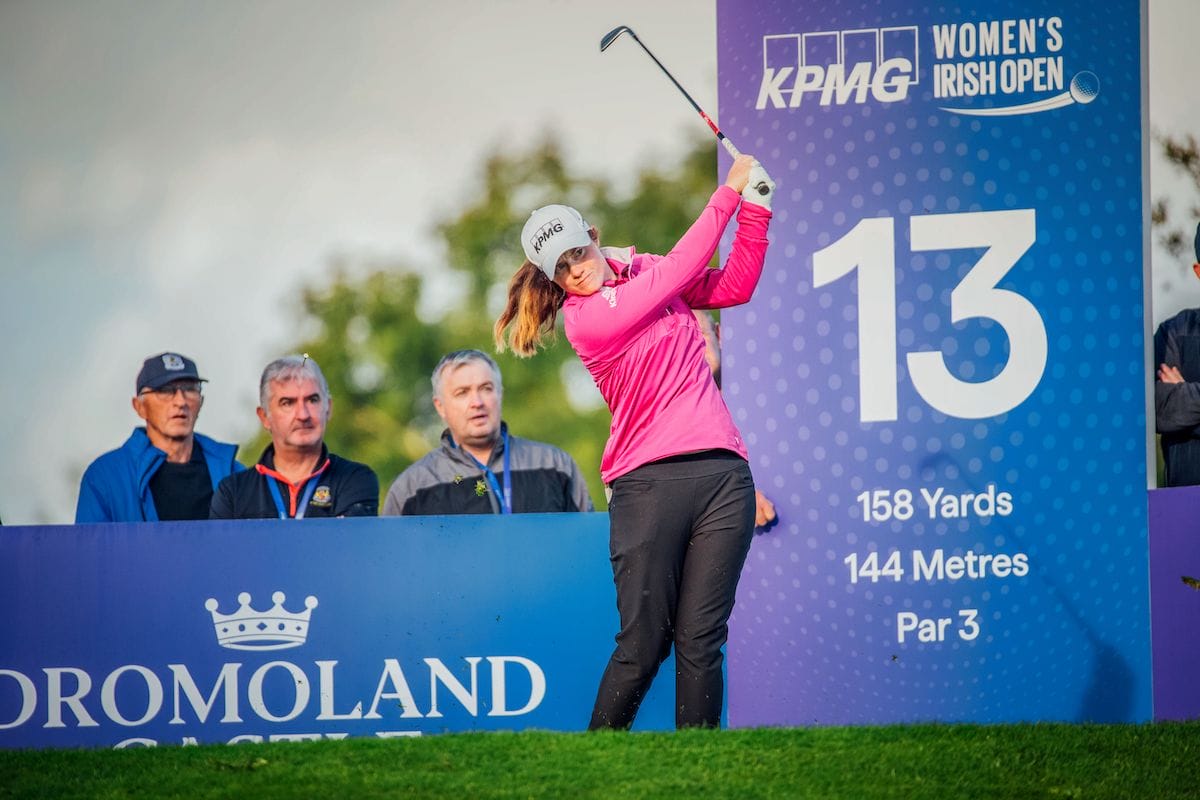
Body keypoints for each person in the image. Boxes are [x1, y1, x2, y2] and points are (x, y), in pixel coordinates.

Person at [495, 153, 775, 729]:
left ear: (593, 237)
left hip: (723, 476)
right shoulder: (585, 320)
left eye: (578, 252)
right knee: (644, 643)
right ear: (552, 279)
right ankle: (597, 765)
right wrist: (727, 194)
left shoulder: (643, 270)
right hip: (647, 484)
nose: (576, 271)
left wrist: (757, 208)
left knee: (702, 638)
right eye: (561, 268)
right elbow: (676, 272)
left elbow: (735, 285)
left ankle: (700, 769)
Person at [383, 349, 593, 515]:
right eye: (462, 393)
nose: (477, 402)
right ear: (440, 406)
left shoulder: (555, 465)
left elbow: (589, 544)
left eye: (486, 389)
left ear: (500, 394)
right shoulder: (411, 488)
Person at [76, 352, 243, 523]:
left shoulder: (236, 476)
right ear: (139, 407)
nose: (180, 402)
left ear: (201, 401)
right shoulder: (106, 478)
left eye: (190, 389)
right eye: (165, 391)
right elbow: (91, 541)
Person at [210, 355, 378, 518]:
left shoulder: (355, 479)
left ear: (328, 408)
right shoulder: (233, 493)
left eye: (312, 400)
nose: (303, 415)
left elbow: (349, 538)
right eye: (287, 403)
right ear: (264, 417)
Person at [693, 309, 777, 529]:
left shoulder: (762, 399)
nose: (692, 350)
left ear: (719, 335)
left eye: (699, 334)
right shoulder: (666, 421)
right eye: (681, 343)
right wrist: (738, 495)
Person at [1156, 222, 1200, 486]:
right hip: (1184, 502)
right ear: (1198, 271)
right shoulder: (1174, 331)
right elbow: (1158, 410)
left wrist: (1185, 394)